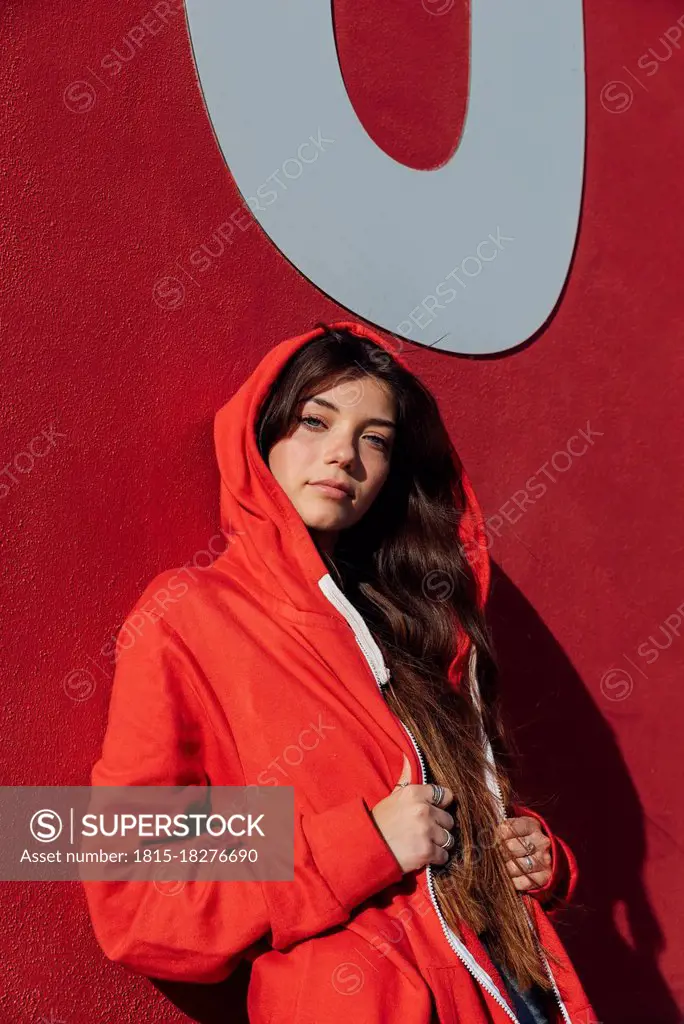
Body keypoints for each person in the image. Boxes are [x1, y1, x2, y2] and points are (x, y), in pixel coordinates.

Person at [83, 320, 597, 1023]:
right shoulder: (192, 615)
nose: (343, 456)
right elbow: (134, 886)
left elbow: (444, 801)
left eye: (374, 438)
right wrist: (366, 842)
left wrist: (536, 852)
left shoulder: (418, 620)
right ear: (263, 433)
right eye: (314, 420)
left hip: (518, 995)